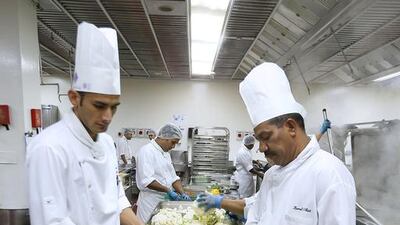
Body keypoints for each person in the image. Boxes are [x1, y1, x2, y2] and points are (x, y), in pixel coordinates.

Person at [199, 63, 356, 224]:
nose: (261, 148)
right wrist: (223, 204)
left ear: (291, 127)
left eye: (265, 137)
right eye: (259, 140)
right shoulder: (271, 175)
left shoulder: (330, 174)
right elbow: (256, 213)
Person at [26, 22, 142, 225]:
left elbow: (117, 201)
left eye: (114, 107)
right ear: (74, 98)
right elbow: (53, 220)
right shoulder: (49, 148)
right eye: (99, 105)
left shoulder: (106, 143)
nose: (107, 116)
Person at [135, 123, 191, 224]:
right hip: (150, 202)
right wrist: (168, 190)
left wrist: (182, 193)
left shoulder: (165, 154)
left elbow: (173, 177)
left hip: (164, 201)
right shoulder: (146, 151)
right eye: (173, 142)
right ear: (165, 138)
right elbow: (146, 181)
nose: (173, 146)